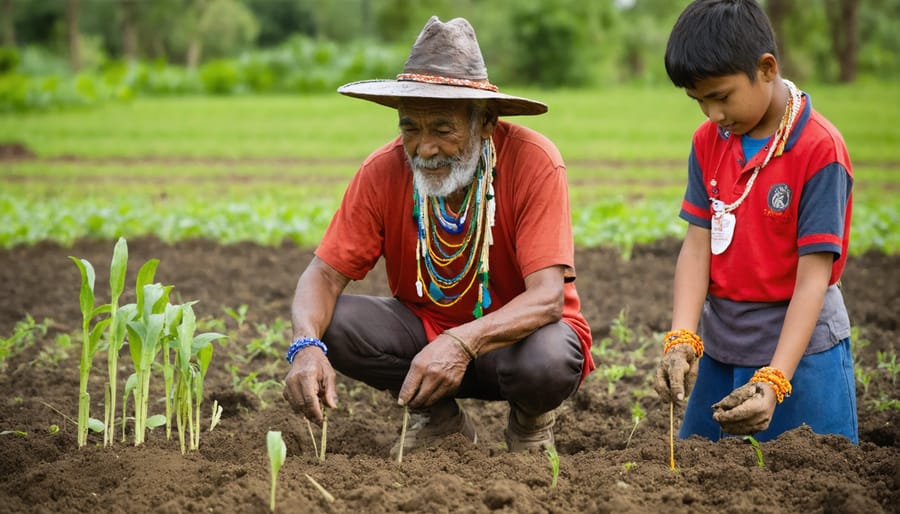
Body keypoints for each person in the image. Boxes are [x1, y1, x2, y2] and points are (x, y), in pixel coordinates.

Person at [281, 16, 594, 456]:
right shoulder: (382, 170)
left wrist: (462, 340)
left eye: (442, 129)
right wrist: (305, 346)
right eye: (411, 128)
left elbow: (547, 299)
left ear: (485, 120)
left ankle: (530, 420)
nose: (424, 148)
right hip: (423, 338)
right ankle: (438, 419)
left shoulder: (533, 161)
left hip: (516, 346)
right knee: (331, 322)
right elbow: (322, 277)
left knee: (549, 359)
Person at [653, 0, 857, 444]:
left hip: (800, 354)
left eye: (721, 97)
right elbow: (697, 244)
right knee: (701, 474)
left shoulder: (820, 151)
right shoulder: (709, 141)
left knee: (812, 476)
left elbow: (812, 281)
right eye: (699, 101)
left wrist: (776, 379)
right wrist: (683, 337)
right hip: (723, 347)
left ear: (766, 68)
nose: (713, 115)